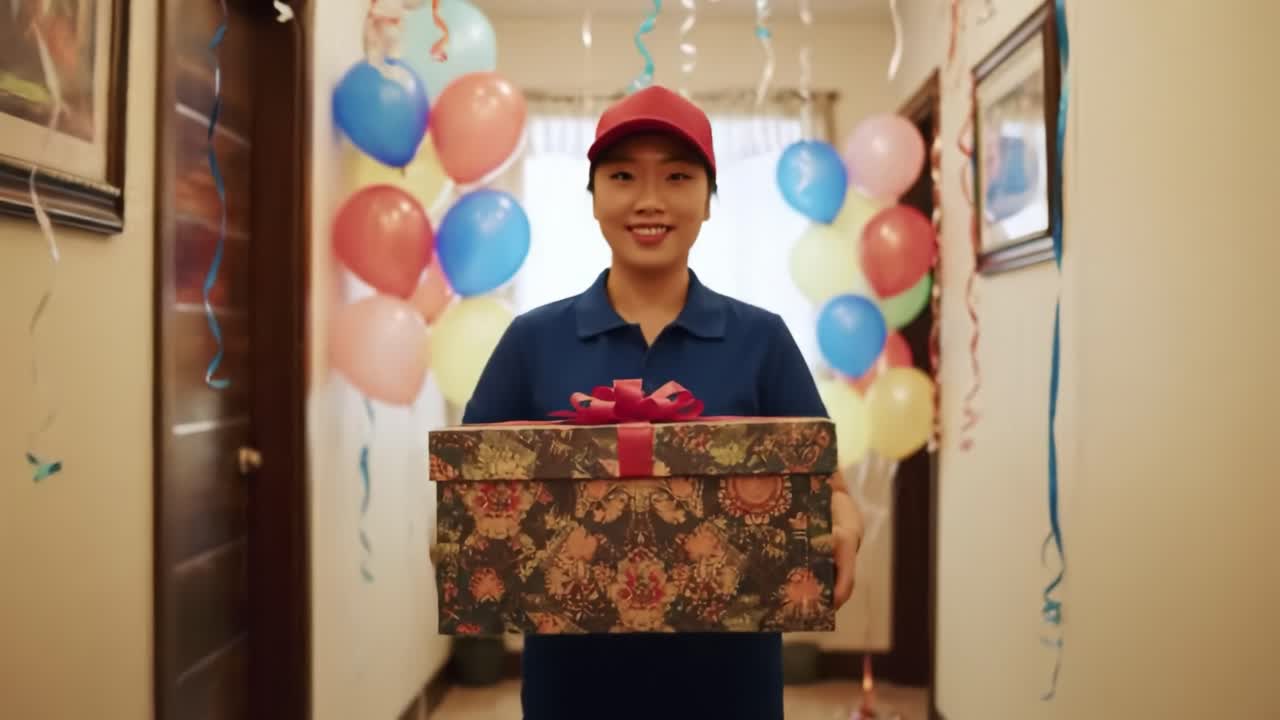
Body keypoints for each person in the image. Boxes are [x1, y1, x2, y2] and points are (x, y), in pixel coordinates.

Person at [461, 84, 864, 720]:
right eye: (623, 176)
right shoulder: (531, 341)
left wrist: (843, 522)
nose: (650, 200)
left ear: (708, 198)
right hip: (574, 683)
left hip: (731, 682)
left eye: (678, 176)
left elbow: (828, 486)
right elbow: (473, 491)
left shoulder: (763, 339)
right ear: (593, 197)